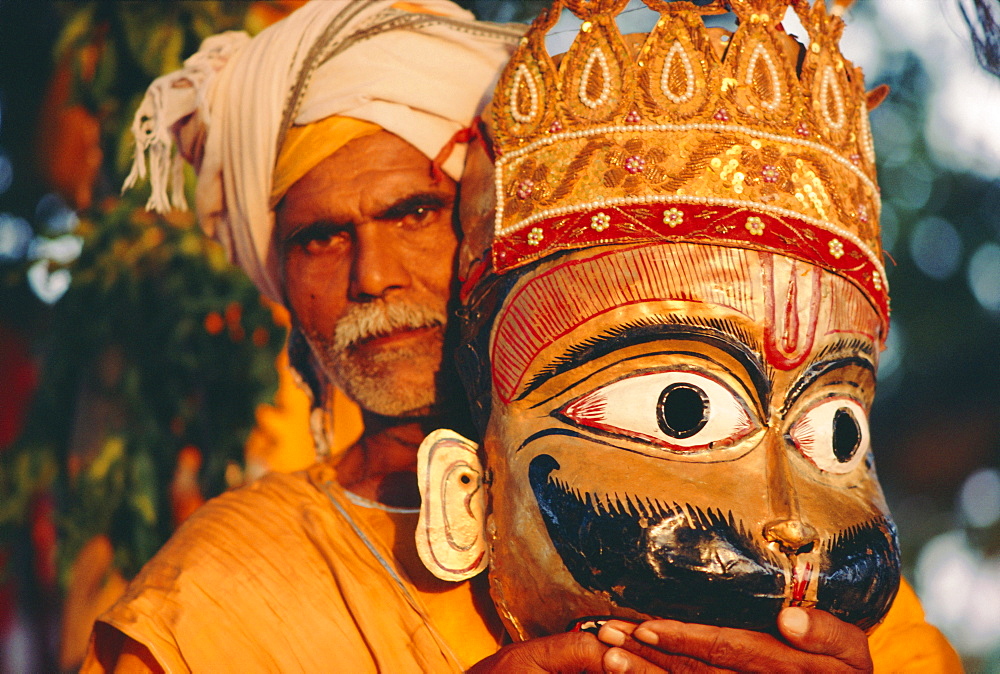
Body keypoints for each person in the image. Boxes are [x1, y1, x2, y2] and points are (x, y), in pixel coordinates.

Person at [414, 0, 964, 671]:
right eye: (681, 409)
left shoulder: (906, 652)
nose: (789, 523)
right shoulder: (271, 591)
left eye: (839, 433)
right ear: (468, 488)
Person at [82, 1, 525, 670]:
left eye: (414, 214)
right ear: (280, 277)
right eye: (321, 238)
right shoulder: (210, 595)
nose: (372, 276)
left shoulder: (672, 488)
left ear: (491, 225)